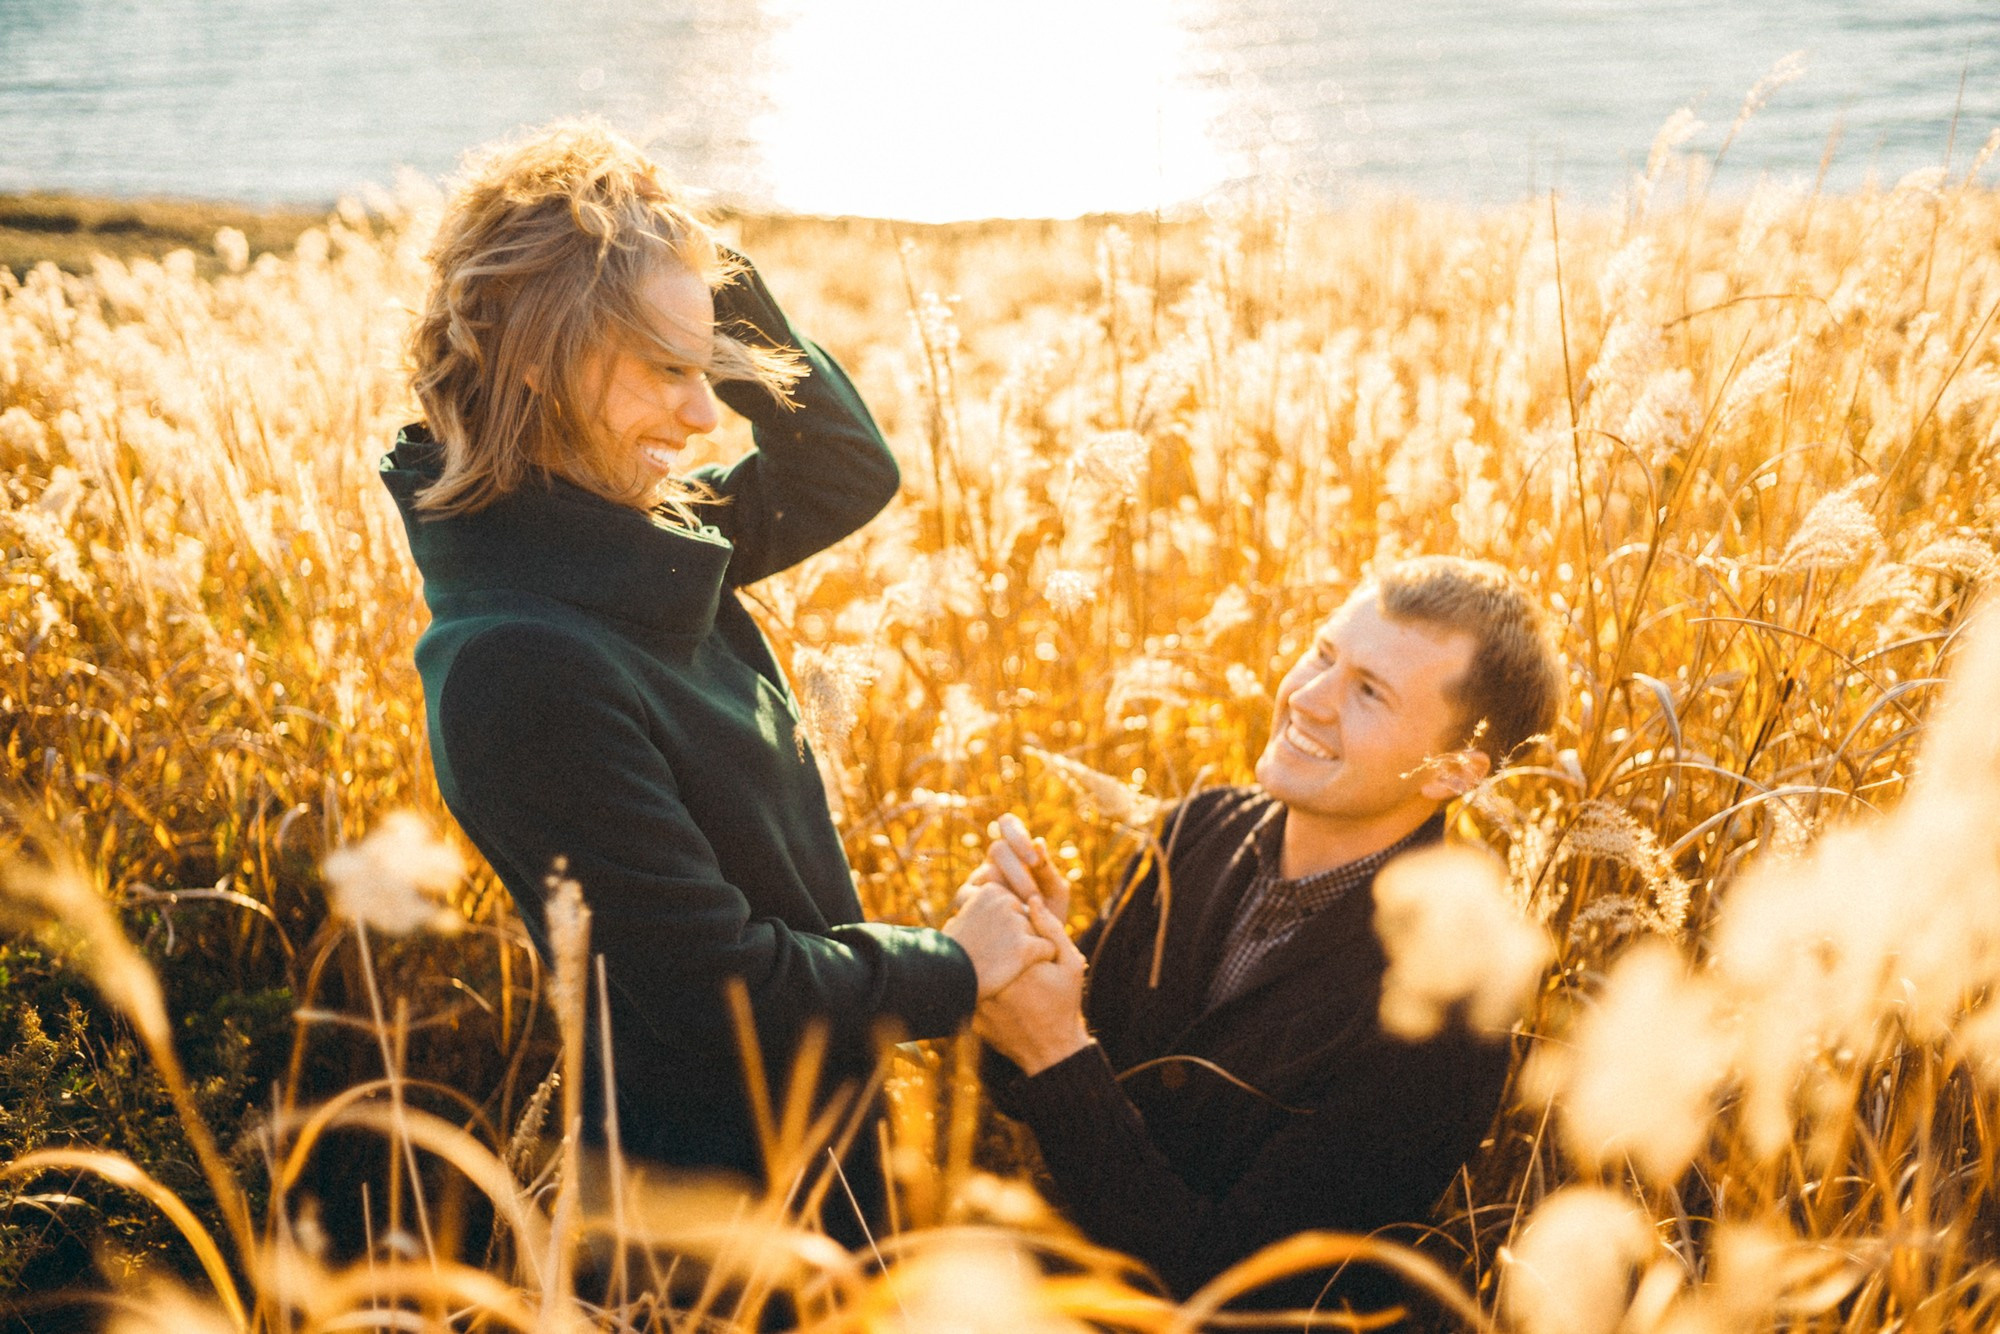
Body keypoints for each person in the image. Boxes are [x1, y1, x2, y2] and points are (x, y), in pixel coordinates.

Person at [378, 121, 1050, 1241]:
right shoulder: (523, 661)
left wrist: (671, 252)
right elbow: (720, 992)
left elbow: (840, 465)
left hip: (809, 1129)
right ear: (540, 357)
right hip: (714, 1205)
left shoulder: (620, 535)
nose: (702, 417)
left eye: (706, 369)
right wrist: (953, 969)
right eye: (667, 371)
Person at [972, 556, 1564, 1306]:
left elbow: (1235, 1294)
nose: (1308, 698)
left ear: (1451, 772)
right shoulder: (1197, 831)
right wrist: (1024, 962)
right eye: (1322, 654)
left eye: (1369, 692)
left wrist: (1055, 1051)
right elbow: (1025, 1088)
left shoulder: (1444, 1002)